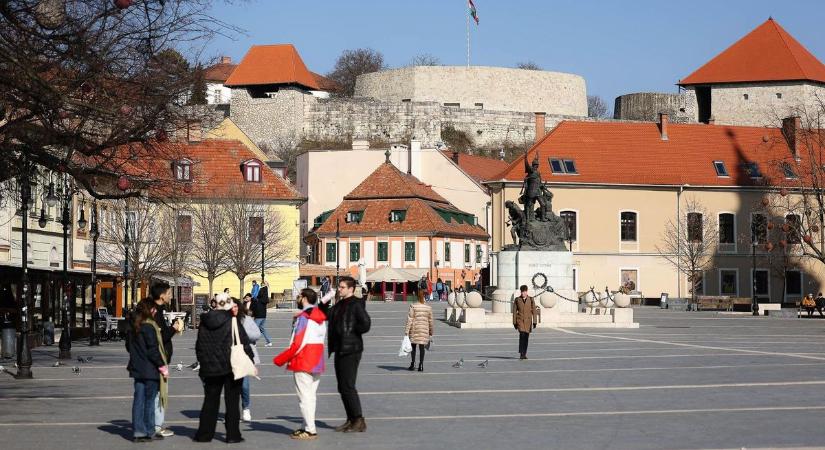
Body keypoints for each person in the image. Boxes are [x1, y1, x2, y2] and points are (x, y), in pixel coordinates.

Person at [193, 293, 255, 443]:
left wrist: (203, 362)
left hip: (210, 367)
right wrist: (250, 361)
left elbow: (199, 345)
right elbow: (243, 342)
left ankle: (204, 435)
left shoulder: (205, 321)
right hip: (231, 366)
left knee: (210, 401)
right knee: (232, 401)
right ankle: (233, 435)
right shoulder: (232, 320)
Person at [318, 276, 371, 433]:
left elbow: (366, 324)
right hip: (339, 348)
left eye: (342, 287)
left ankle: (359, 420)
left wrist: (351, 332)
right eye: (339, 287)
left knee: (348, 385)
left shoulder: (356, 304)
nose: (339, 289)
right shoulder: (340, 304)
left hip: (351, 349)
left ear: (351, 289)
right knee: (342, 386)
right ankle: (351, 419)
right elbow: (323, 314)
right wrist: (325, 299)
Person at [274, 288, 328, 440]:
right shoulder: (320, 317)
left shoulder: (304, 317)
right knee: (310, 396)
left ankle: (310, 430)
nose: (297, 298)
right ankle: (306, 426)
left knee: (304, 397)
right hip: (316, 359)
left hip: (303, 359)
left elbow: (298, 343)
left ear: (304, 298)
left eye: (299, 296)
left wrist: (280, 359)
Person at [126, 299, 168, 442]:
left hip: (137, 369)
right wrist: (162, 366)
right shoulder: (149, 327)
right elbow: (153, 351)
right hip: (150, 370)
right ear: (150, 310)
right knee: (149, 401)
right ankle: (149, 430)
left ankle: (138, 431)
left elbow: (128, 347)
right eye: (154, 309)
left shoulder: (133, 327)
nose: (155, 312)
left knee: (138, 401)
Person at [150, 281, 182, 438]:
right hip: (159, 359)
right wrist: (173, 328)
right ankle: (156, 425)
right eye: (169, 293)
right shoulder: (155, 312)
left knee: (157, 392)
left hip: (159, 358)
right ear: (162, 295)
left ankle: (154, 424)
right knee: (160, 392)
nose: (170, 296)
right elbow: (160, 337)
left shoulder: (156, 310)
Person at [238, 294, 261, 422]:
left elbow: (257, 334)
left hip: (245, 357)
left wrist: (243, 334)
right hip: (229, 357)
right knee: (231, 388)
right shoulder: (226, 320)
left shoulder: (247, 320)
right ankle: (232, 412)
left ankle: (246, 408)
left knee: (244, 386)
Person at [404, 291, 433, 372]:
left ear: (417, 297)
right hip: (424, 329)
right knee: (422, 347)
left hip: (414, 329)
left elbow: (410, 319)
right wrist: (431, 331)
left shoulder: (413, 306)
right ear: (424, 297)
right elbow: (430, 321)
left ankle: (413, 364)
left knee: (413, 346)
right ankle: (421, 365)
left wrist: (406, 331)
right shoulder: (428, 307)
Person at [513, 285, 538, 360]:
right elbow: (514, 312)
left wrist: (535, 322)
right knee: (522, 336)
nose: (523, 293)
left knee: (526, 338)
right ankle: (521, 353)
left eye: (524, 292)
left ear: (527, 292)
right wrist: (514, 322)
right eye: (522, 292)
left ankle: (524, 353)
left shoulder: (531, 299)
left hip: (528, 322)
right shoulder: (517, 300)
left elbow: (534, 311)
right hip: (520, 320)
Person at [251, 280, 272, 347]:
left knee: (254, 328)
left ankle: (253, 343)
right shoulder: (264, 298)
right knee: (262, 329)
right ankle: (268, 342)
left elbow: (256, 305)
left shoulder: (259, 298)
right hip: (263, 315)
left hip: (259, 315)